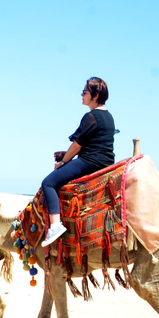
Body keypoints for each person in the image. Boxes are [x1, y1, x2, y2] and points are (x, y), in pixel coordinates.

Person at [40, 77, 116, 247]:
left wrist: (62, 162)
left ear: (95, 95)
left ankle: (55, 226)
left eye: (84, 92)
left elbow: (76, 146)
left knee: (48, 182)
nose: (81, 95)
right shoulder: (108, 116)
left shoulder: (91, 116)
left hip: (90, 161)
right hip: (105, 162)